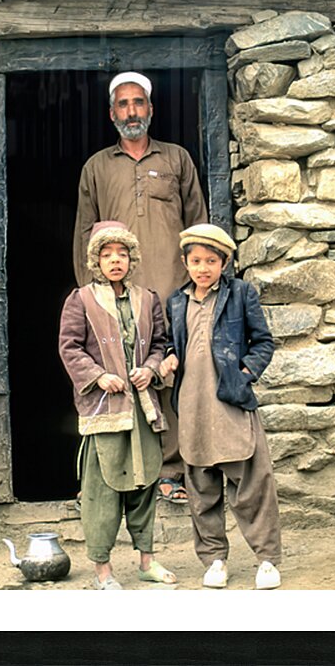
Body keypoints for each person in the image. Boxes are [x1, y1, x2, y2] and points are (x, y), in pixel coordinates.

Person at [73, 71, 208, 504]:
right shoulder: (97, 167)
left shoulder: (176, 159)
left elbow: (198, 225)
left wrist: (200, 287)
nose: (131, 111)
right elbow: (84, 234)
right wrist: (91, 298)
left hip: (172, 289)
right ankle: (119, 475)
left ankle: (171, 470)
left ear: (150, 108)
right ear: (111, 113)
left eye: (138, 103)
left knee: (171, 375)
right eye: (123, 104)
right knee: (118, 376)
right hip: (118, 296)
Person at [160, 223, 282, 590]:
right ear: (185, 262)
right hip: (192, 405)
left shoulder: (240, 293)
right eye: (196, 261)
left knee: (252, 484)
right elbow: (172, 342)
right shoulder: (177, 301)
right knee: (201, 488)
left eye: (211, 261)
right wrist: (170, 356)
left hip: (230, 402)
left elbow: (263, 342)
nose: (203, 268)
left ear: (224, 263)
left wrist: (244, 374)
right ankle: (215, 560)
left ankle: (267, 559)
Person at [59, 220, 177, 590]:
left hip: (142, 409)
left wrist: (151, 369)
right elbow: (69, 347)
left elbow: (160, 343)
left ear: (131, 259)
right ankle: (103, 571)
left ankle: (146, 561)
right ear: (96, 260)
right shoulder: (81, 300)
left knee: (145, 483)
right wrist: (98, 376)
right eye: (107, 254)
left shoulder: (148, 299)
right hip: (105, 411)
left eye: (122, 254)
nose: (115, 260)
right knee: (102, 490)